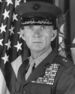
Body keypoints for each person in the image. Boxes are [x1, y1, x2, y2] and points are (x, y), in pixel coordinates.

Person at [10, 0, 75, 94]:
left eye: (43, 28)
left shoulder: (66, 71)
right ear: (23, 35)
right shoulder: (23, 67)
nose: (36, 35)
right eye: (31, 28)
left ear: (53, 35)